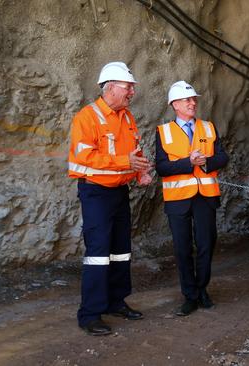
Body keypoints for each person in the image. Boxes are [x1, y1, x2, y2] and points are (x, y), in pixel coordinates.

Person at [68, 61, 153, 336]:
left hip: (118, 191)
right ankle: (90, 314)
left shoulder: (127, 116)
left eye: (131, 87)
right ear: (111, 88)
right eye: (128, 87)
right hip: (95, 193)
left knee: (120, 250)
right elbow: (84, 159)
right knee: (98, 254)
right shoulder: (87, 117)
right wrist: (123, 161)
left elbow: (135, 151)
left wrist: (139, 173)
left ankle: (116, 302)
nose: (132, 92)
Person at [155, 80, 229, 316]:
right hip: (178, 198)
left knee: (206, 244)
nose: (192, 102)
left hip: (205, 196)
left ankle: (202, 290)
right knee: (182, 248)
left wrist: (206, 161)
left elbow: (223, 157)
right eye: (187, 100)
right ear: (174, 104)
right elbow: (162, 167)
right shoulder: (163, 132)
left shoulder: (208, 127)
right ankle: (189, 295)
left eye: (194, 99)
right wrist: (189, 163)